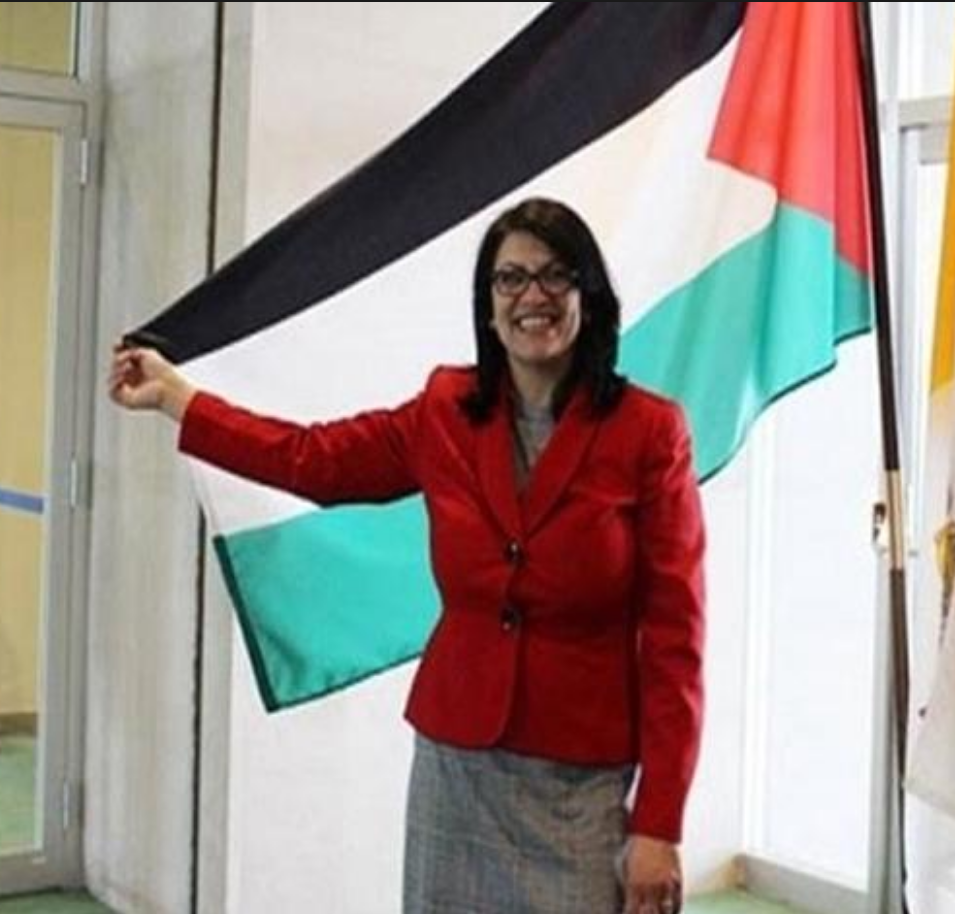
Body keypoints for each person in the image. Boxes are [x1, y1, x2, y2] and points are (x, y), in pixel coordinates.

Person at [109, 197, 705, 914]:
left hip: (582, 781)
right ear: (488, 307)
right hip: (457, 769)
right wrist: (180, 399)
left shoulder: (651, 432)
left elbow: (676, 642)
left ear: (589, 295)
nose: (533, 297)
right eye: (510, 279)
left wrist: (660, 825)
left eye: (556, 275)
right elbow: (312, 459)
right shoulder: (445, 410)